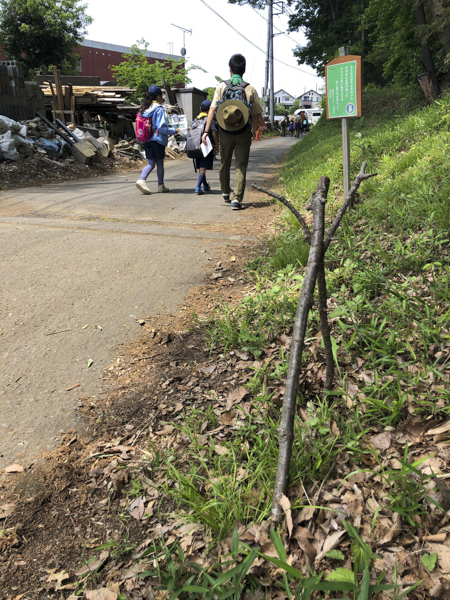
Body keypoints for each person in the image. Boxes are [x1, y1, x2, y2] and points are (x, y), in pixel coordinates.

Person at [201, 54, 265, 210]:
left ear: (230, 69)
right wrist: (253, 131)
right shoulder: (250, 89)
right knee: (241, 165)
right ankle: (236, 198)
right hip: (243, 131)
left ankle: (225, 192)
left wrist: (206, 131)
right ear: (243, 70)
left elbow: (212, 110)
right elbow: (256, 114)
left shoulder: (221, 86)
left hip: (224, 131)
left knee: (225, 163)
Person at [135, 85, 178, 195]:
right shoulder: (158, 109)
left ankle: (143, 179)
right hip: (157, 139)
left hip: (146, 138)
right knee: (159, 163)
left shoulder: (143, 108)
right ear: (158, 96)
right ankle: (157, 185)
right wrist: (173, 131)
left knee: (150, 163)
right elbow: (161, 127)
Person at [192, 99, 219, 195]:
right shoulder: (209, 120)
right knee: (203, 167)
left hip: (196, 146)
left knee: (201, 166)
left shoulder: (195, 120)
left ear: (200, 109)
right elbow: (214, 133)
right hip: (207, 146)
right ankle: (198, 187)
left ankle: (205, 185)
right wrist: (216, 145)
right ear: (209, 110)